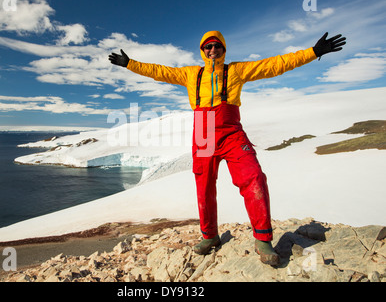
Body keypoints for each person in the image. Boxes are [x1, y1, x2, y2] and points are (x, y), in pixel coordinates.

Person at [109, 30, 346, 266]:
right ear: (202, 51)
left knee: (253, 177)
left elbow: (276, 64)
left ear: (224, 49)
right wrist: (129, 63)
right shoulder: (191, 74)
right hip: (203, 132)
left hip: (231, 131)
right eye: (207, 47)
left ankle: (263, 239)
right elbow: (159, 72)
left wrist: (314, 52)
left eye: (217, 46)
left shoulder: (236, 70)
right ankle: (209, 236)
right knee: (204, 186)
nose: (212, 50)